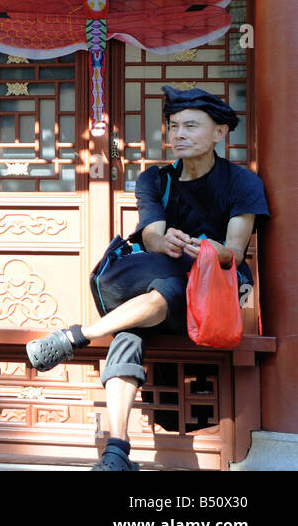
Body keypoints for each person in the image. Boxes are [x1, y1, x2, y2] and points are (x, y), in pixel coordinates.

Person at [24, 86, 267, 471]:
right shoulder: (154, 179)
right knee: (130, 332)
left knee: (166, 293)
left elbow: (234, 252)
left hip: (214, 297)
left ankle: (75, 337)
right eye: (173, 126)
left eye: (190, 125)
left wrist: (205, 248)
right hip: (162, 287)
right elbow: (150, 233)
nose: (178, 134)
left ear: (220, 132)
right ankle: (117, 452)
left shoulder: (242, 183)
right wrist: (164, 240)